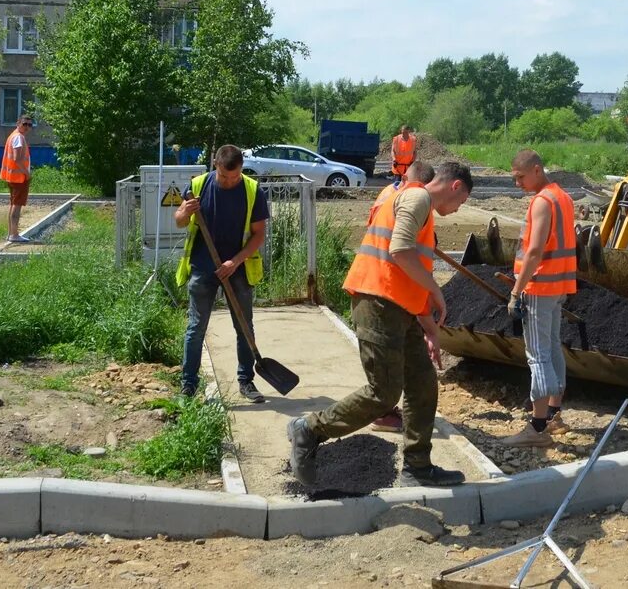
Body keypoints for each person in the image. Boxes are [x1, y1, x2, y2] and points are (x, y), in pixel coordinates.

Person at [287, 162, 474, 488]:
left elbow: (406, 273)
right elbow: (399, 251)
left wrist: (427, 322)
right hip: (378, 303)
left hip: (399, 307)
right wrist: (435, 289)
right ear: (455, 186)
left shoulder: (414, 201)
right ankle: (311, 428)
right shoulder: (417, 200)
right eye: (462, 201)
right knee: (384, 393)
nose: (459, 209)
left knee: (422, 383)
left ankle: (417, 467)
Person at [174, 144, 269, 403]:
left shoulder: (251, 190)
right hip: (203, 268)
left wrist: (234, 262)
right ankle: (188, 384)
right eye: (225, 176)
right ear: (215, 164)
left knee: (244, 327)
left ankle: (246, 382)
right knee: (196, 327)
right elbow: (179, 220)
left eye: (235, 176)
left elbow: (259, 234)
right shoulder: (198, 186)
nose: (230, 181)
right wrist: (185, 211)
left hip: (237, 268)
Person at [501, 149, 576, 447]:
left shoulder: (542, 202)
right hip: (559, 286)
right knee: (552, 347)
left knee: (537, 355)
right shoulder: (563, 197)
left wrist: (516, 291)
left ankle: (537, 428)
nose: (517, 183)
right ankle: (554, 415)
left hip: (539, 287)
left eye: (520, 177)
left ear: (536, 169)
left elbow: (534, 251)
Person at [366, 159, 435, 434]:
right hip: (388, 283)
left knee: (390, 360)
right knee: (387, 364)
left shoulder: (389, 192)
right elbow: (403, 251)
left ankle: (389, 412)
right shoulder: (415, 199)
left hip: (379, 278)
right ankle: (383, 412)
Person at [0, 115, 34, 243]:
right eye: (25, 124)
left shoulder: (14, 135)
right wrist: (27, 173)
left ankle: (11, 234)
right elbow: (17, 158)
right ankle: (14, 235)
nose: (27, 127)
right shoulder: (18, 138)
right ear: (18, 123)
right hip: (19, 177)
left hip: (13, 176)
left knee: (14, 204)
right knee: (17, 205)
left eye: (30, 125)